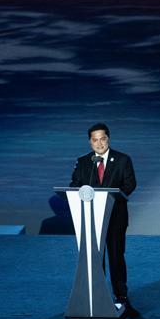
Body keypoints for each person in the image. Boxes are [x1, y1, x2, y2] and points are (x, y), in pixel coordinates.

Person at [69, 123, 137, 305]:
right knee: (95, 258)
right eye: (95, 140)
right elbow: (74, 185)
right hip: (91, 219)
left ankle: (121, 294)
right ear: (90, 142)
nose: (99, 144)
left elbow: (130, 184)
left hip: (115, 217)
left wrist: (112, 197)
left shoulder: (123, 159)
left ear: (108, 138)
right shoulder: (84, 162)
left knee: (116, 256)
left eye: (103, 139)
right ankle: (97, 294)